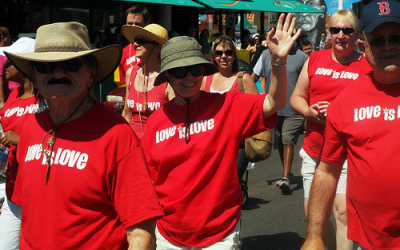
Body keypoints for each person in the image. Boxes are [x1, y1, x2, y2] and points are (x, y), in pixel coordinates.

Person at [141, 13, 301, 248]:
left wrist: (277, 61)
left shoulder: (226, 105)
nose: (188, 77)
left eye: (195, 69)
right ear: (166, 75)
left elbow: (273, 103)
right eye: (179, 71)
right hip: (168, 235)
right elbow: (149, 180)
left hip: (220, 235)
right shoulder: (156, 121)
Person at [5, 21, 163, 249]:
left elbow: (141, 230)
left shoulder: (116, 134)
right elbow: (27, 213)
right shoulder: (30, 127)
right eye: (46, 67)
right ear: (34, 75)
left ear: (91, 72)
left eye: (70, 64)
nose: (58, 73)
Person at [302, 0, 400, 249]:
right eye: (378, 40)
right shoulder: (346, 102)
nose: (388, 46)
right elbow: (327, 171)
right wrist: (314, 235)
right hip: (372, 239)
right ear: (363, 45)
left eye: (396, 37)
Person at [290, 9, 372, 250]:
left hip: (349, 153)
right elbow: (297, 96)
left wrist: (337, 113)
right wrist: (307, 111)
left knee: (343, 212)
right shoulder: (315, 59)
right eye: (335, 30)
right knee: (313, 215)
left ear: (356, 34)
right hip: (315, 150)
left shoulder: (366, 63)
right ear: (329, 32)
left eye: (347, 30)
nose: (340, 35)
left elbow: (372, 105)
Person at [252, 42, 308, 194]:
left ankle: (285, 178)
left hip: (294, 109)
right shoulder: (266, 55)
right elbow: (253, 76)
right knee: (279, 142)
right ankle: (287, 172)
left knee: (287, 140)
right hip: (274, 109)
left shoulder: (302, 57)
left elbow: (311, 82)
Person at [202, 35, 259, 183]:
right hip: (210, 145)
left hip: (237, 146)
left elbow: (258, 110)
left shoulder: (243, 79)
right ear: (214, 57)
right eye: (219, 53)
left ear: (234, 56)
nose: (224, 56)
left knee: (229, 185)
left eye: (228, 53)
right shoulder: (204, 80)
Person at [0, 37, 36, 250]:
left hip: (38, 190)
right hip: (13, 187)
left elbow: (57, 142)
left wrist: (19, 139)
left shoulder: (47, 100)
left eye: (10, 62)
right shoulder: (14, 94)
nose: (4, 66)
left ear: (26, 65)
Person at [121, 23, 174, 140]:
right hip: (133, 146)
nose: (135, 44)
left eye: (142, 41)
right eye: (136, 40)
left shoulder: (168, 78)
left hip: (157, 148)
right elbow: (126, 114)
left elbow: (175, 121)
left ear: (157, 48)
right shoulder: (131, 73)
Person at [114, 5, 150, 87]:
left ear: (146, 25)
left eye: (137, 24)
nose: (133, 27)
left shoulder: (156, 50)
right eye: (130, 23)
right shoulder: (121, 54)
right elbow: (121, 86)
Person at [0, 27, 11, 109]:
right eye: (9, 37)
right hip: (6, 102)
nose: (10, 40)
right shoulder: (1, 53)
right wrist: (3, 101)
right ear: (2, 38)